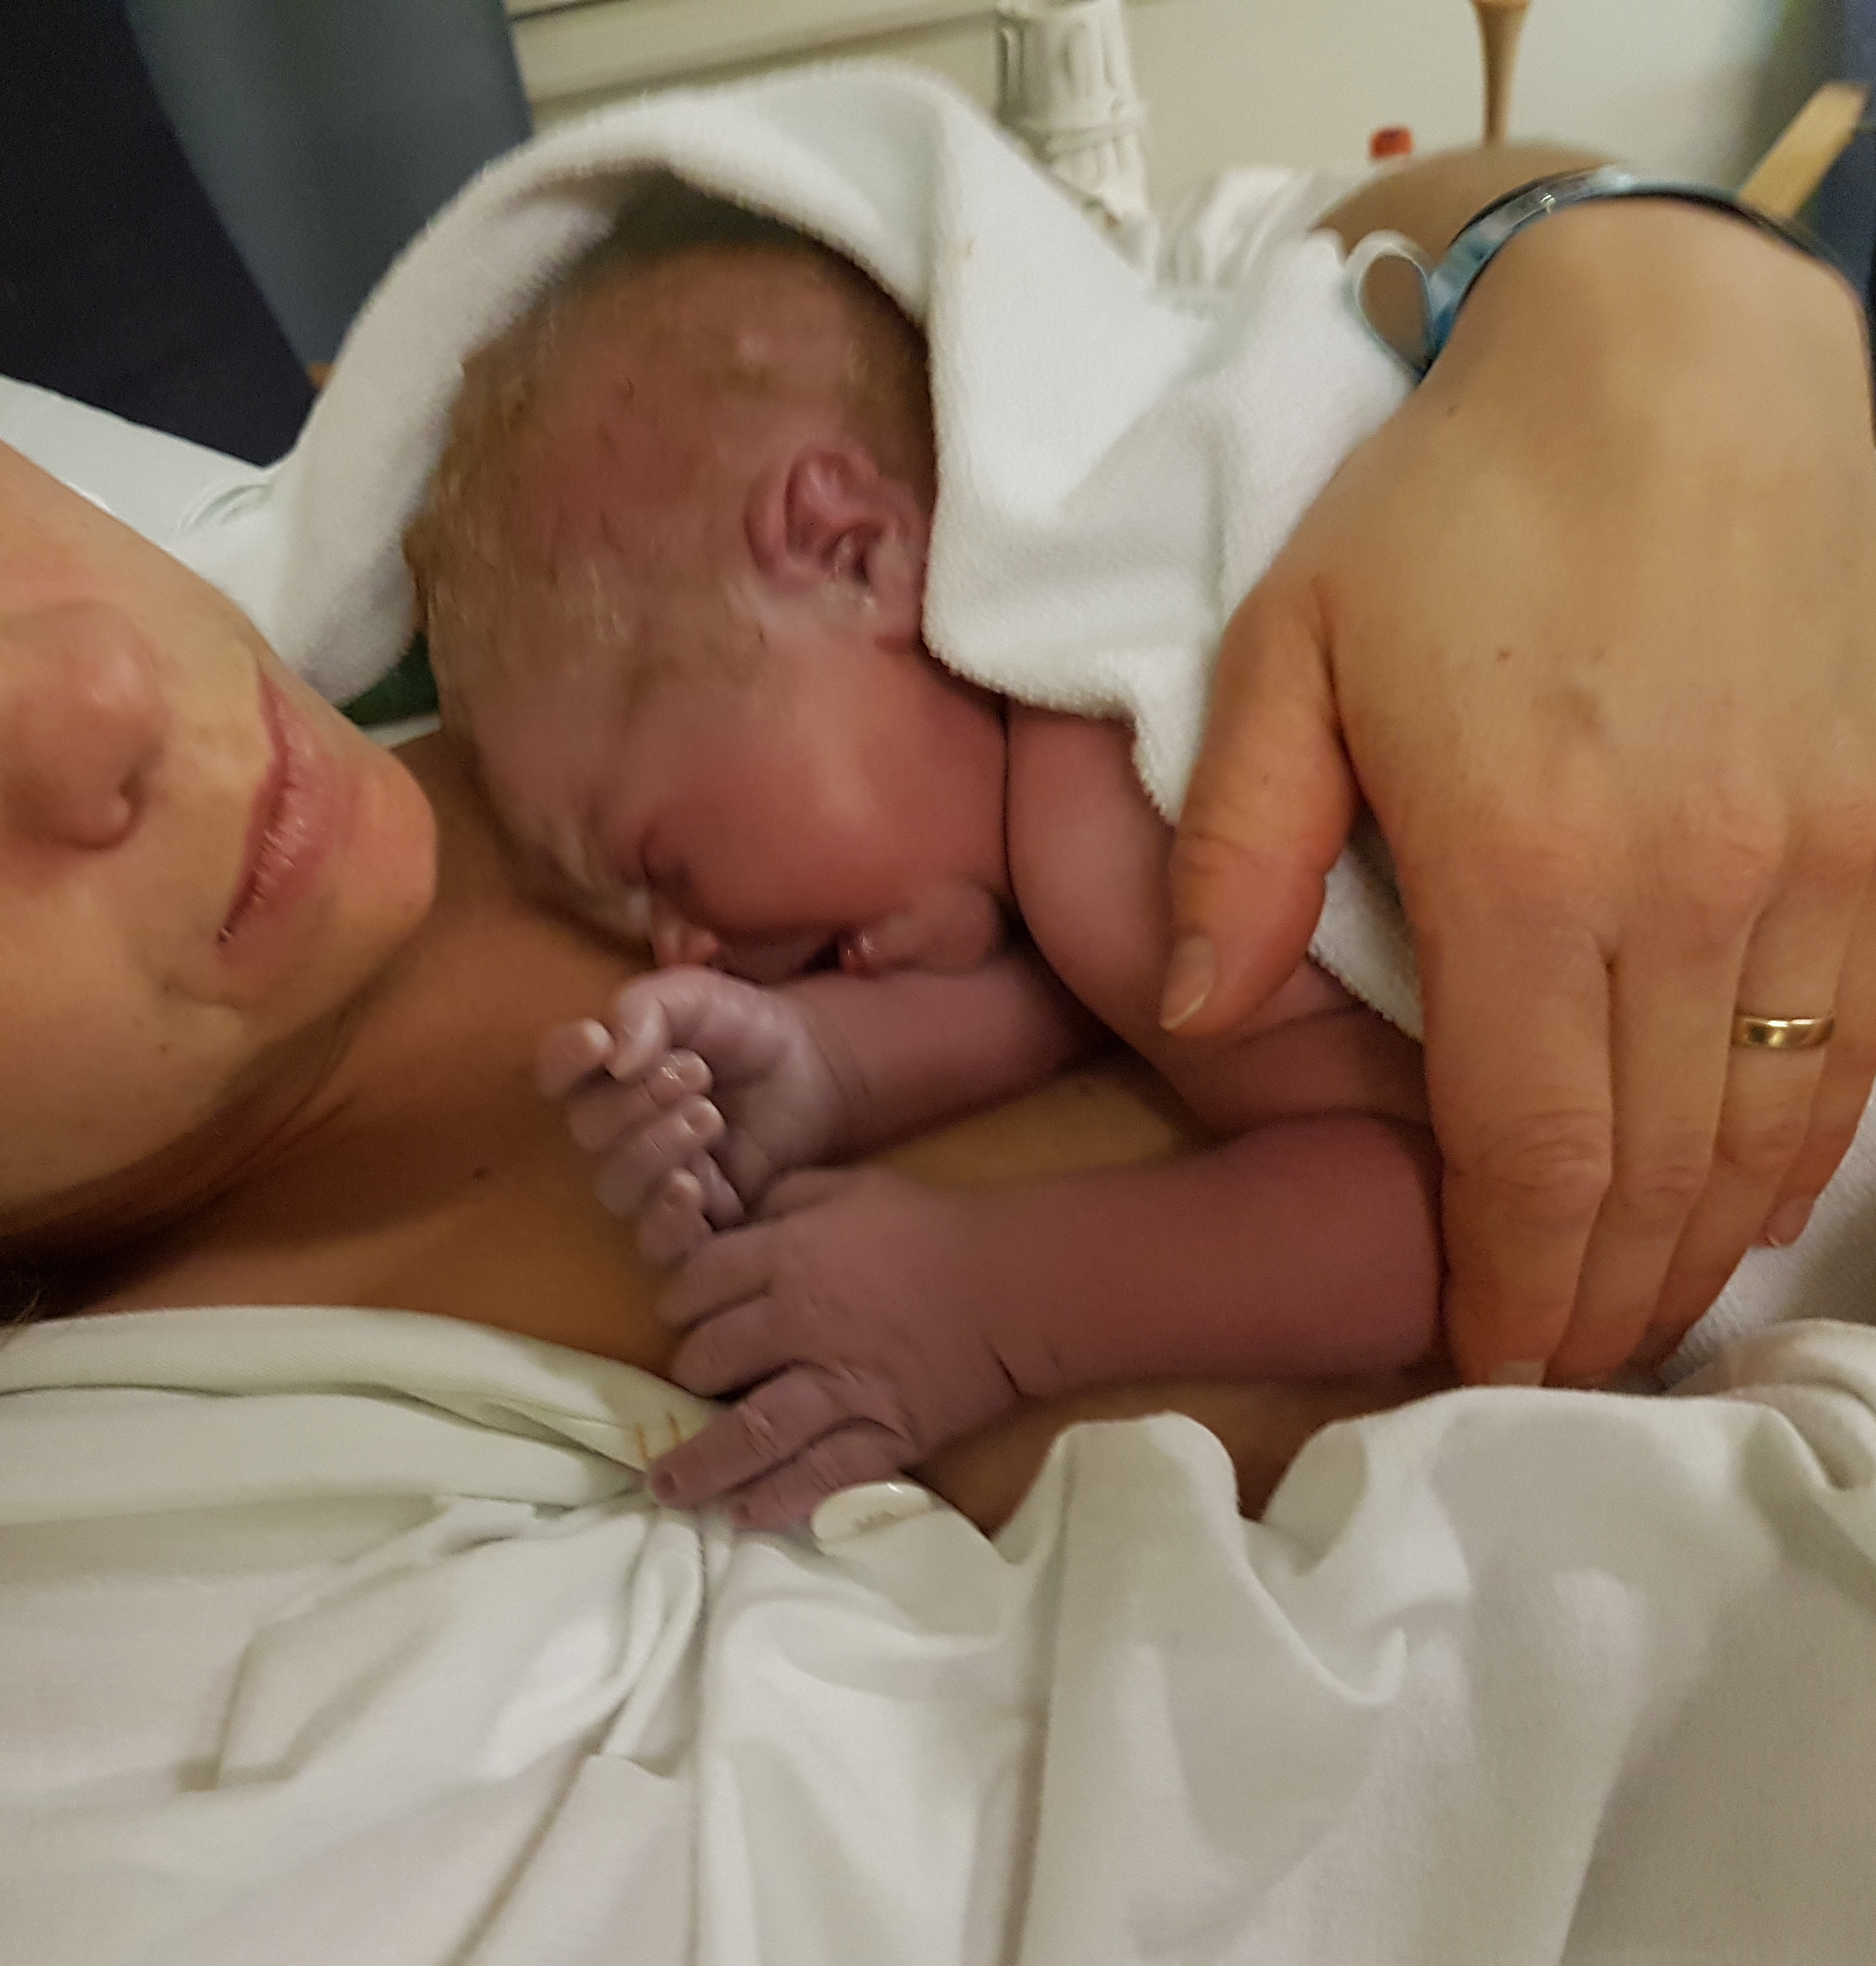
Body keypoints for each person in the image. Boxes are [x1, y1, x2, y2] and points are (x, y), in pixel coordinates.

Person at [0, 101, 1876, 1528]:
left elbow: (1275, 260)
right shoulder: (301, 1584)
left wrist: (1637, 303)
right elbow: (1508, 1270)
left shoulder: (580, 577)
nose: (104, 687)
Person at [408, 200, 1443, 1528]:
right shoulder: (1089, 754)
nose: (675, 945)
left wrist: (988, 1300)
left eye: (661, 860)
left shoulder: (1104, 806)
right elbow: (1107, 1003)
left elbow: (1460, 1209)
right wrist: (839, 1065)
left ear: (854, 554)